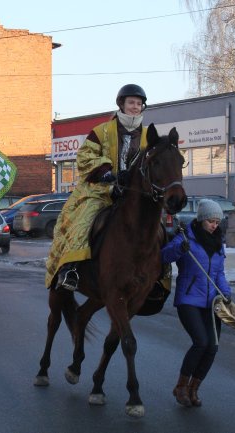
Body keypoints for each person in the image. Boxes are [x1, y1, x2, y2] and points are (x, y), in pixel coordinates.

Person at [45, 84, 149, 292]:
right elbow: (84, 156)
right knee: (84, 221)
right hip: (101, 189)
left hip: (134, 192)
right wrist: (106, 172)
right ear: (121, 104)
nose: (135, 107)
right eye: (131, 103)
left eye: (139, 104)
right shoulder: (101, 131)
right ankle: (70, 269)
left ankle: (158, 272)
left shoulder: (148, 135)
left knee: (155, 222)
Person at [161, 199, 232, 408]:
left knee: (212, 347)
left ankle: (193, 389)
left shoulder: (218, 244)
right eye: (211, 221)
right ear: (201, 220)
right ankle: (180, 387)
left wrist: (226, 294)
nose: (214, 225)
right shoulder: (186, 238)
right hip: (189, 299)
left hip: (211, 303)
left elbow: (219, 274)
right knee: (201, 342)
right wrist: (179, 249)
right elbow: (164, 256)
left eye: (217, 222)